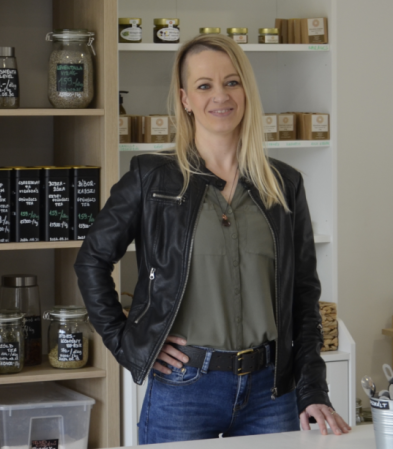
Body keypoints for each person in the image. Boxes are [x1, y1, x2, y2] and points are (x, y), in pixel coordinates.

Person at [75, 34, 350, 443]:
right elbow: (91, 261)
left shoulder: (284, 185)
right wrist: (126, 342)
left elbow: (304, 296)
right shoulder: (152, 179)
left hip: (272, 393)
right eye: (204, 85)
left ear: (246, 90)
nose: (220, 95)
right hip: (183, 388)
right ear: (185, 99)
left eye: (231, 82)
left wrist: (313, 389)